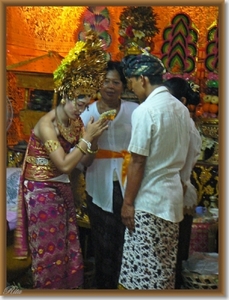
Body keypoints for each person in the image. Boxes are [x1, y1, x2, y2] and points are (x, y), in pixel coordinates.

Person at [13, 31, 109, 289]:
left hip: (63, 190)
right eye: (79, 97)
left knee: (69, 253)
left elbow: (84, 163)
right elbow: (65, 164)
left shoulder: (77, 123)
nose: (83, 103)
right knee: (49, 254)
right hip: (41, 191)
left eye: (87, 97)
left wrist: (95, 137)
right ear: (66, 93)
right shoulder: (47, 124)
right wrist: (87, 138)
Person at [118, 53, 191, 290]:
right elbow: (193, 149)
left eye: (131, 83)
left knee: (141, 276)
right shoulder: (181, 109)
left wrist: (128, 203)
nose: (132, 89)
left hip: (148, 204)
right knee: (162, 271)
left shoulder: (145, 111)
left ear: (143, 79)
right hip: (171, 201)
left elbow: (138, 161)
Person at [79, 60, 138, 289]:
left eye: (116, 82)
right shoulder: (87, 113)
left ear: (124, 86)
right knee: (103, 245)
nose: (110, 86)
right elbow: (82, 159)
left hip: (129, 186)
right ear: (98, 84)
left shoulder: (134, 111)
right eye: (106, 81)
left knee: (125, 243)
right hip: (97, 186)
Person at [163, 77, 202, 289]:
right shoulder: (179, 121)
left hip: (177, 192)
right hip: (175, 191)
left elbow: (182, 169)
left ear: (182, 100)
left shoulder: (183, 124)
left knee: (174, 255)